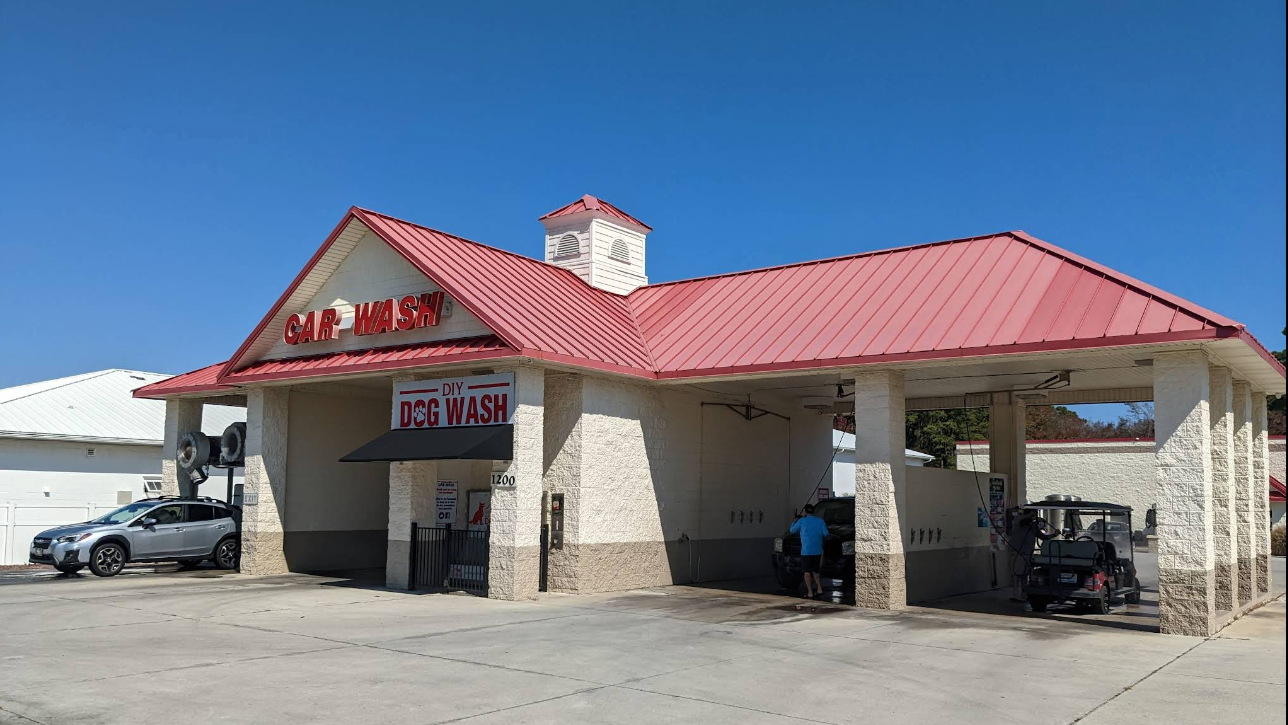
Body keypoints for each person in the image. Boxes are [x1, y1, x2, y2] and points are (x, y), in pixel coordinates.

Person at [1007, 508, 1055, 602]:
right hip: (1018, 553)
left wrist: (1054, 534)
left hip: (1028, 554)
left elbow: (1042, 537)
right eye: (1033, 513)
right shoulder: (1018, 520)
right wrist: (1033, 517)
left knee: (1025, 575)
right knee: (1017, 574)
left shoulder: (1033, 526)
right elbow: (1023, 521)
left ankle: (1024, 594)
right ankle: (1015, 594)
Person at [790, 504, 830, 599]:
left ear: (805, 512)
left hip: (806, 551)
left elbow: (792, 531)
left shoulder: (801, 521)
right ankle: (819, 589)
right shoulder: (820, 521)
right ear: (813, 511)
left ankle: (810, 592)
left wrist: (793, 522)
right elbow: (826, 534)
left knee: (807, 572)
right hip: (817, 550)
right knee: (816, 571)